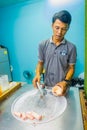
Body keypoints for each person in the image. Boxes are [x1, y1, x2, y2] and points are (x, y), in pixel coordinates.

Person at [33, 10, 77, 96]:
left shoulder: (71, 47)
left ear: (68, 28)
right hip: (47, 87)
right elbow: (40, 63)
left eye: (64, 29)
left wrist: (65, 82)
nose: (59, 32)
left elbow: (72, 68)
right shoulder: (42, 44)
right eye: (57, 27)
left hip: (62, 88)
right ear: (52, 26)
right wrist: (37, 74)